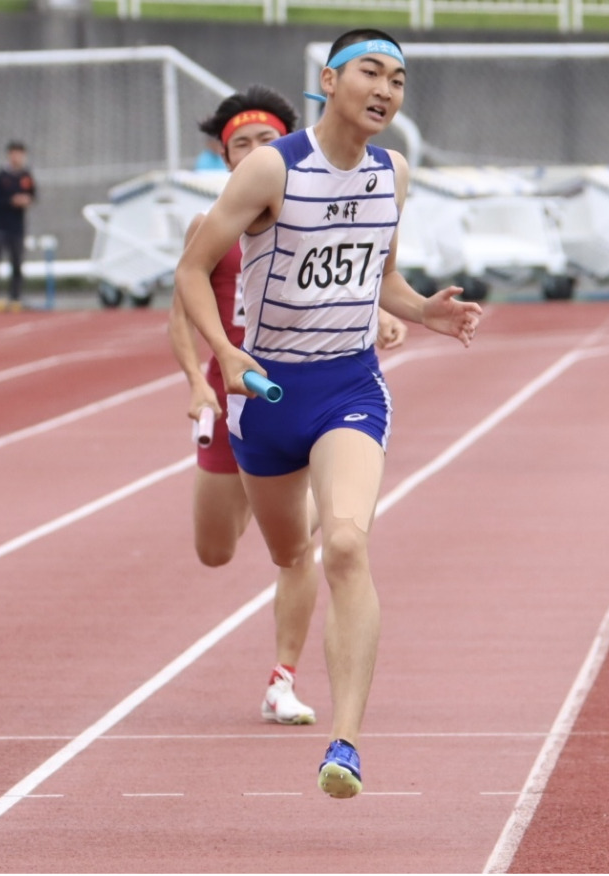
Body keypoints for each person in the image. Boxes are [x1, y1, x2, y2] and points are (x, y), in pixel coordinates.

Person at [174, 29, 482, 800]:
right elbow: (190, 270)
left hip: (349, 387)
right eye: (370, 73)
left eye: (398, 80)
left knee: (345, 543)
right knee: (289, 551)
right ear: (331, 79)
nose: (386, 90)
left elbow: (383, 279)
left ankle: (345, 743)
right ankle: (301, 522)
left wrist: (425, 310)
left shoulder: (392, 173)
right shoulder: (271, 169)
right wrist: (225, 354)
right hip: (265, 398)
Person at [168, 85, 408, 728]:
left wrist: (385, 314)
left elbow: (357, 274)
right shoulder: (213, 225)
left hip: (312, 390)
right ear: (227, 159)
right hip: (235, 400)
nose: (255, 151)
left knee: (311, 548)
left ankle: (283, 678)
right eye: (241, 144)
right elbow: (180, 314)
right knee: (216, 549)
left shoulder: (319, 194)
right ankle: (278, 497)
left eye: (266, 140)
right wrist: (198, 380)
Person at [0, 141, 36, 313]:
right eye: (14, 153)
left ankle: (15, 297)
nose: (16, 157)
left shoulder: (26, 176)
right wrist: (10, 201)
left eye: (19, 154)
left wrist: (26, 200)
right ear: (9, 155)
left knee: (17, 262)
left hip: (17, 227)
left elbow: (33, 195)